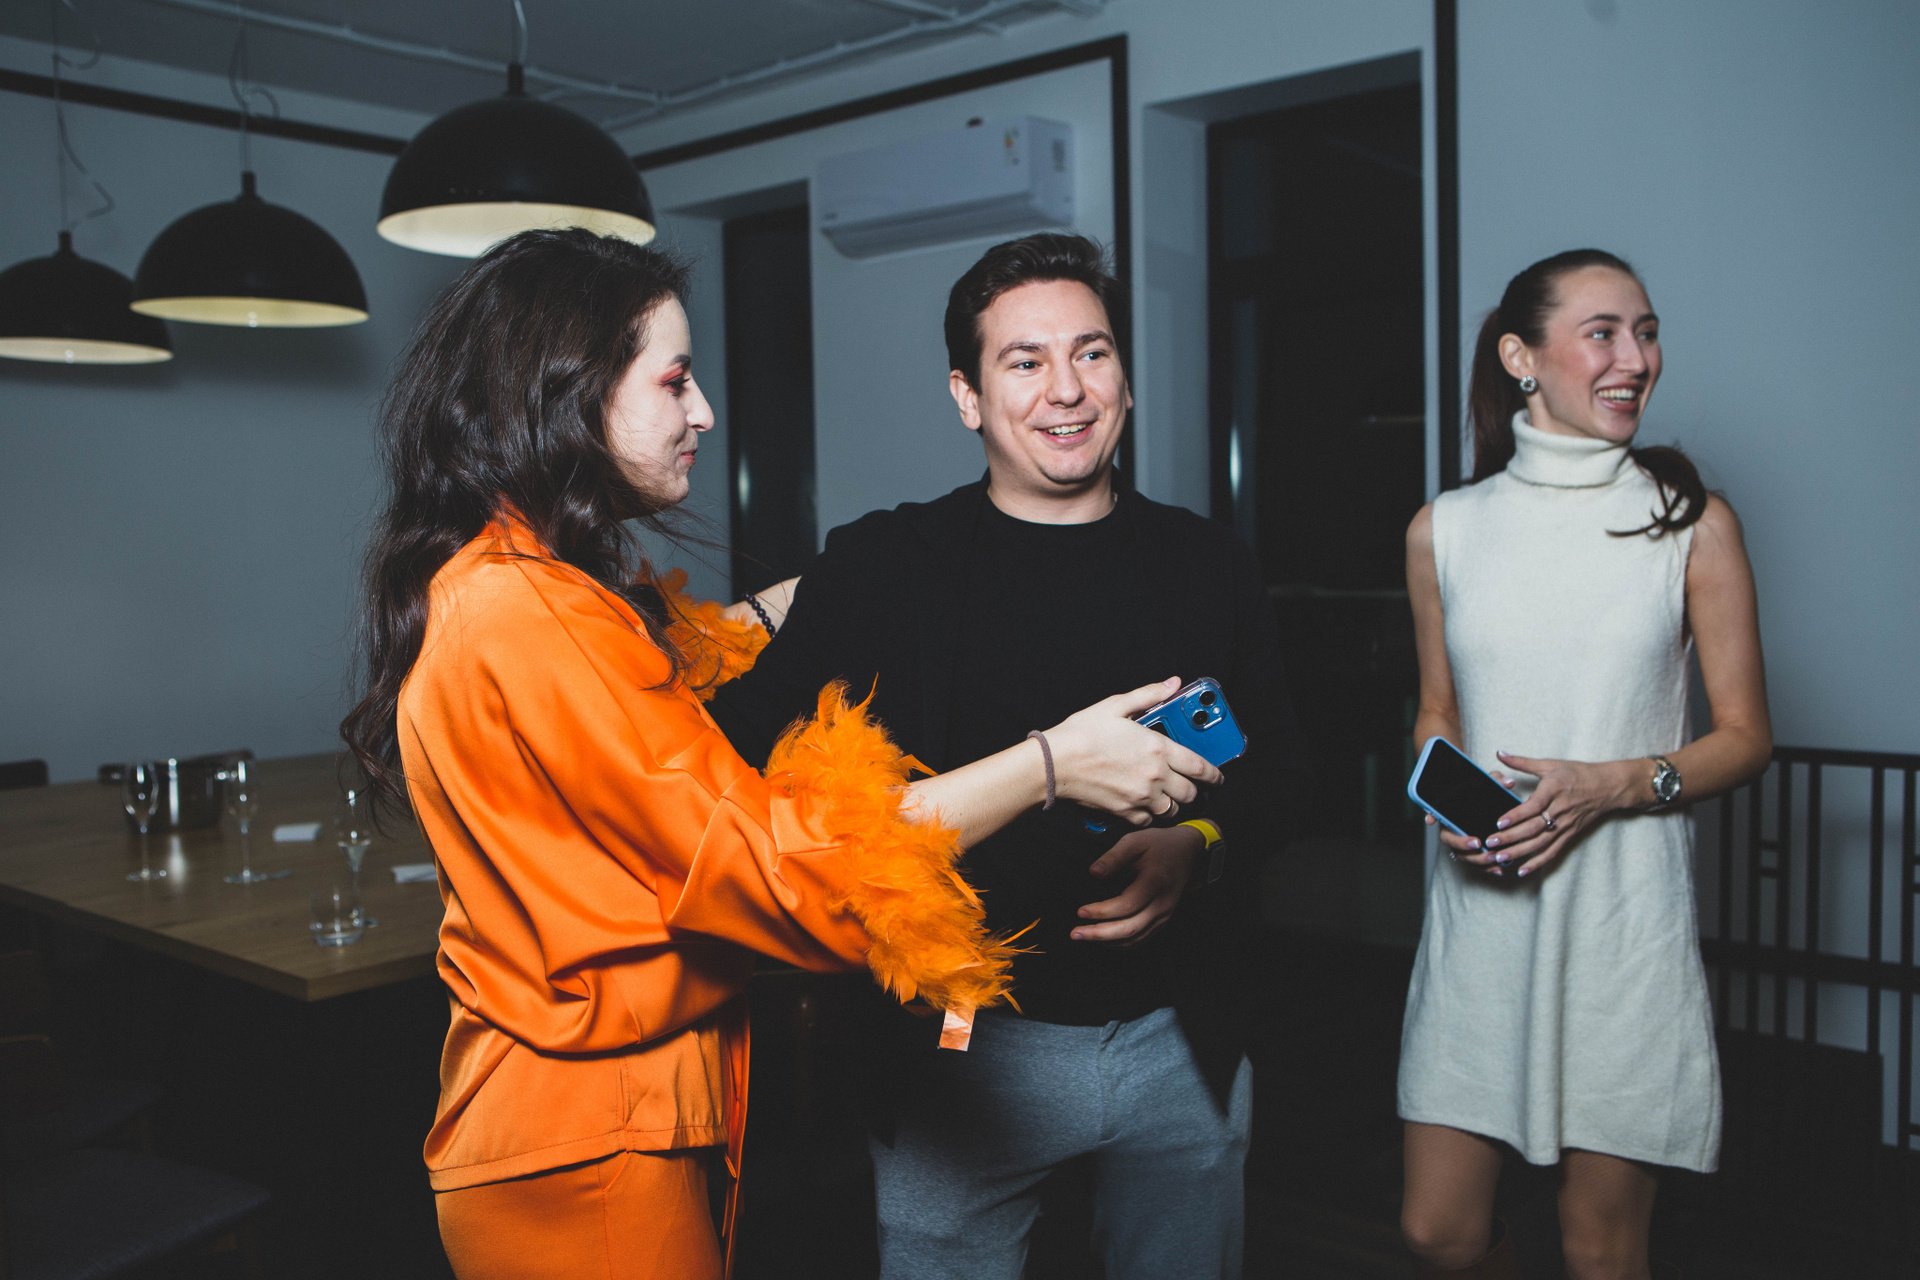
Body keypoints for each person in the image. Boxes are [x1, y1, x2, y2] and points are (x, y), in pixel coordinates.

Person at [338, 229, 1224, 1280]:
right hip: (589, 1142)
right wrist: (1049, 762)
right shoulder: (529, 618)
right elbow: (776, 867)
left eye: (1091, 353)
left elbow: (655, 694)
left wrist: (830, 588)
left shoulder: (521, 593)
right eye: (675, 380)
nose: (704, 411)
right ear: (569, 397)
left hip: (602, 1121)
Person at [708, 233, 1308, 1280]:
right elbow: (729, 755)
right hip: (960, 1055)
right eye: (1024, 361)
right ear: (968, 397)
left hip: (1178, 1039)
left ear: (1124, 377)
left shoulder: (1209, 560)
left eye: (1092, 353)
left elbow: (1288, 774)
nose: (1066, 389)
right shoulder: (885, 562)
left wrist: (1199, 844)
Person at [1396, 249, 1772, 1280]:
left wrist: (1611, 784)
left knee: (1602, 1249)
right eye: (1602, 332)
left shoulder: (1691, 523)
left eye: (1645, 332)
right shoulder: (1443, 530)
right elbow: (1437, 713)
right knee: (1439, 1231)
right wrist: (1450, 796)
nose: (1635, 358)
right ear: (1522, 357)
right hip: (1482, 920)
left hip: (1623, 927)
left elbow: (1746, 735)